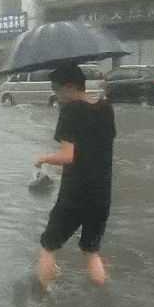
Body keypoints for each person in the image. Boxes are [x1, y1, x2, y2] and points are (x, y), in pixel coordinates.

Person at [34, 63, 116, 289]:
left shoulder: (70, 111)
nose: (56, 95)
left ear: (69, 86)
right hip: (102, 192)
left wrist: (44, 158)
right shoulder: (106, 109)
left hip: (75, 193)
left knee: (49, 246)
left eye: (57, 89)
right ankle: (102, 297)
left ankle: (43, 303)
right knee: (91, 251)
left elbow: (69, 156)